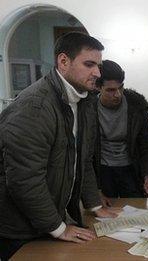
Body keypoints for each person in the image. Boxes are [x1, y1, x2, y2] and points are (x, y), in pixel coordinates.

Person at [0, 32, 118, 260]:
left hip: (45, 220)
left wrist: (94, 205)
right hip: (17, 228)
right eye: (89, 64)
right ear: (63, 62)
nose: (97, 73)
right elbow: (25, 180)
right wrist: (59, 227)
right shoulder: (35, 108)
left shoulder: (83, 100)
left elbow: (82, 160)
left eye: (99, 66)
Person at [94, 60, 148, 203]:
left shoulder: (137, 107)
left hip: (131, 169)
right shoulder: (88, 108)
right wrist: (93, 190)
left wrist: (147, 178)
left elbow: (147, 145)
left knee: (136, 212)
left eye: (120, 88)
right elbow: (85, 154)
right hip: (102, 172)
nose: (117, 94)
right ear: (98, 87)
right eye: (110, 90)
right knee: (106, 217)